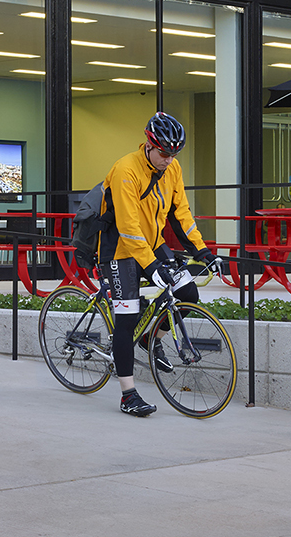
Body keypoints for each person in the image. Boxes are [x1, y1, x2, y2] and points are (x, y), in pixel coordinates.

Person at [98, 111, 214, 418]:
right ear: (149, 144)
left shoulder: (172, 168)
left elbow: (181, 213)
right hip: (120, 250)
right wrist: (152, 268)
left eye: (174, 153)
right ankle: (128, 395)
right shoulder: (126, 170)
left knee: (187, 293)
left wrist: (202, 250)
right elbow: (128, 226)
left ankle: (152, 339)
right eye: (164, 153)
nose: (169, 159)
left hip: (150, 244)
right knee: (126, 320)